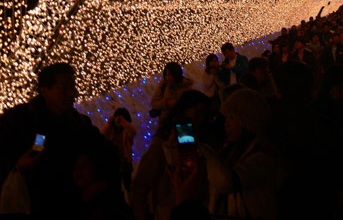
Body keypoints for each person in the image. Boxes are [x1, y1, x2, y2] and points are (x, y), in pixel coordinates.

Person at [0, 62, 102, 217]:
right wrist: (17, 167)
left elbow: (104, 152)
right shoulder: (18, 120)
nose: (70, 94)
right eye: (63, 88)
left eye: (72, 87)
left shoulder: (80, 124)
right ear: (44, 91)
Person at [131, 90, 212, 220]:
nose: (200, 120)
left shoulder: (203, 147)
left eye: (203, 115)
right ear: (184, 111)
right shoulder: (162, 147)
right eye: (197, 114)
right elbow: (140, 189)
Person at [201, 88, 278, 220]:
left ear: (247, 121)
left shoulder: (263, 156)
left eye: (232, 117)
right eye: (226, 117)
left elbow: (229, 182)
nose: (226, 123)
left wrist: (200, 148)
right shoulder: (229, 151)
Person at [100, 107, 137, 193]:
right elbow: (102, 134)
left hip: (125, 161)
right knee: (115, 186)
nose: (119, 122)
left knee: (128, 184)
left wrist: (125, 123)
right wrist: (109, 123)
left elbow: (133, 131)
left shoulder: (127, 131)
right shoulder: (111, 129)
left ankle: (131, 200)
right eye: (117, 119)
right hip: (113, 161)